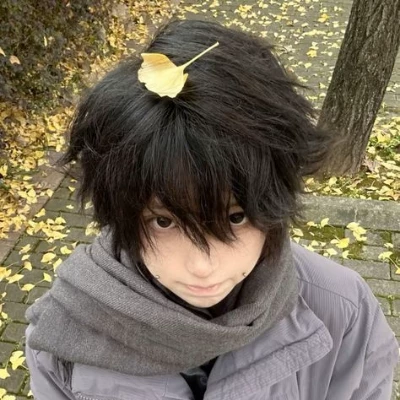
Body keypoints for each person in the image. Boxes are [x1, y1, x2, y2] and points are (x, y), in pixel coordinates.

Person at [24, 18, 399, 400]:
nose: (203, 266)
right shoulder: (61, 339)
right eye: (164, 221)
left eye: (235, 217)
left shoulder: (342, 313)